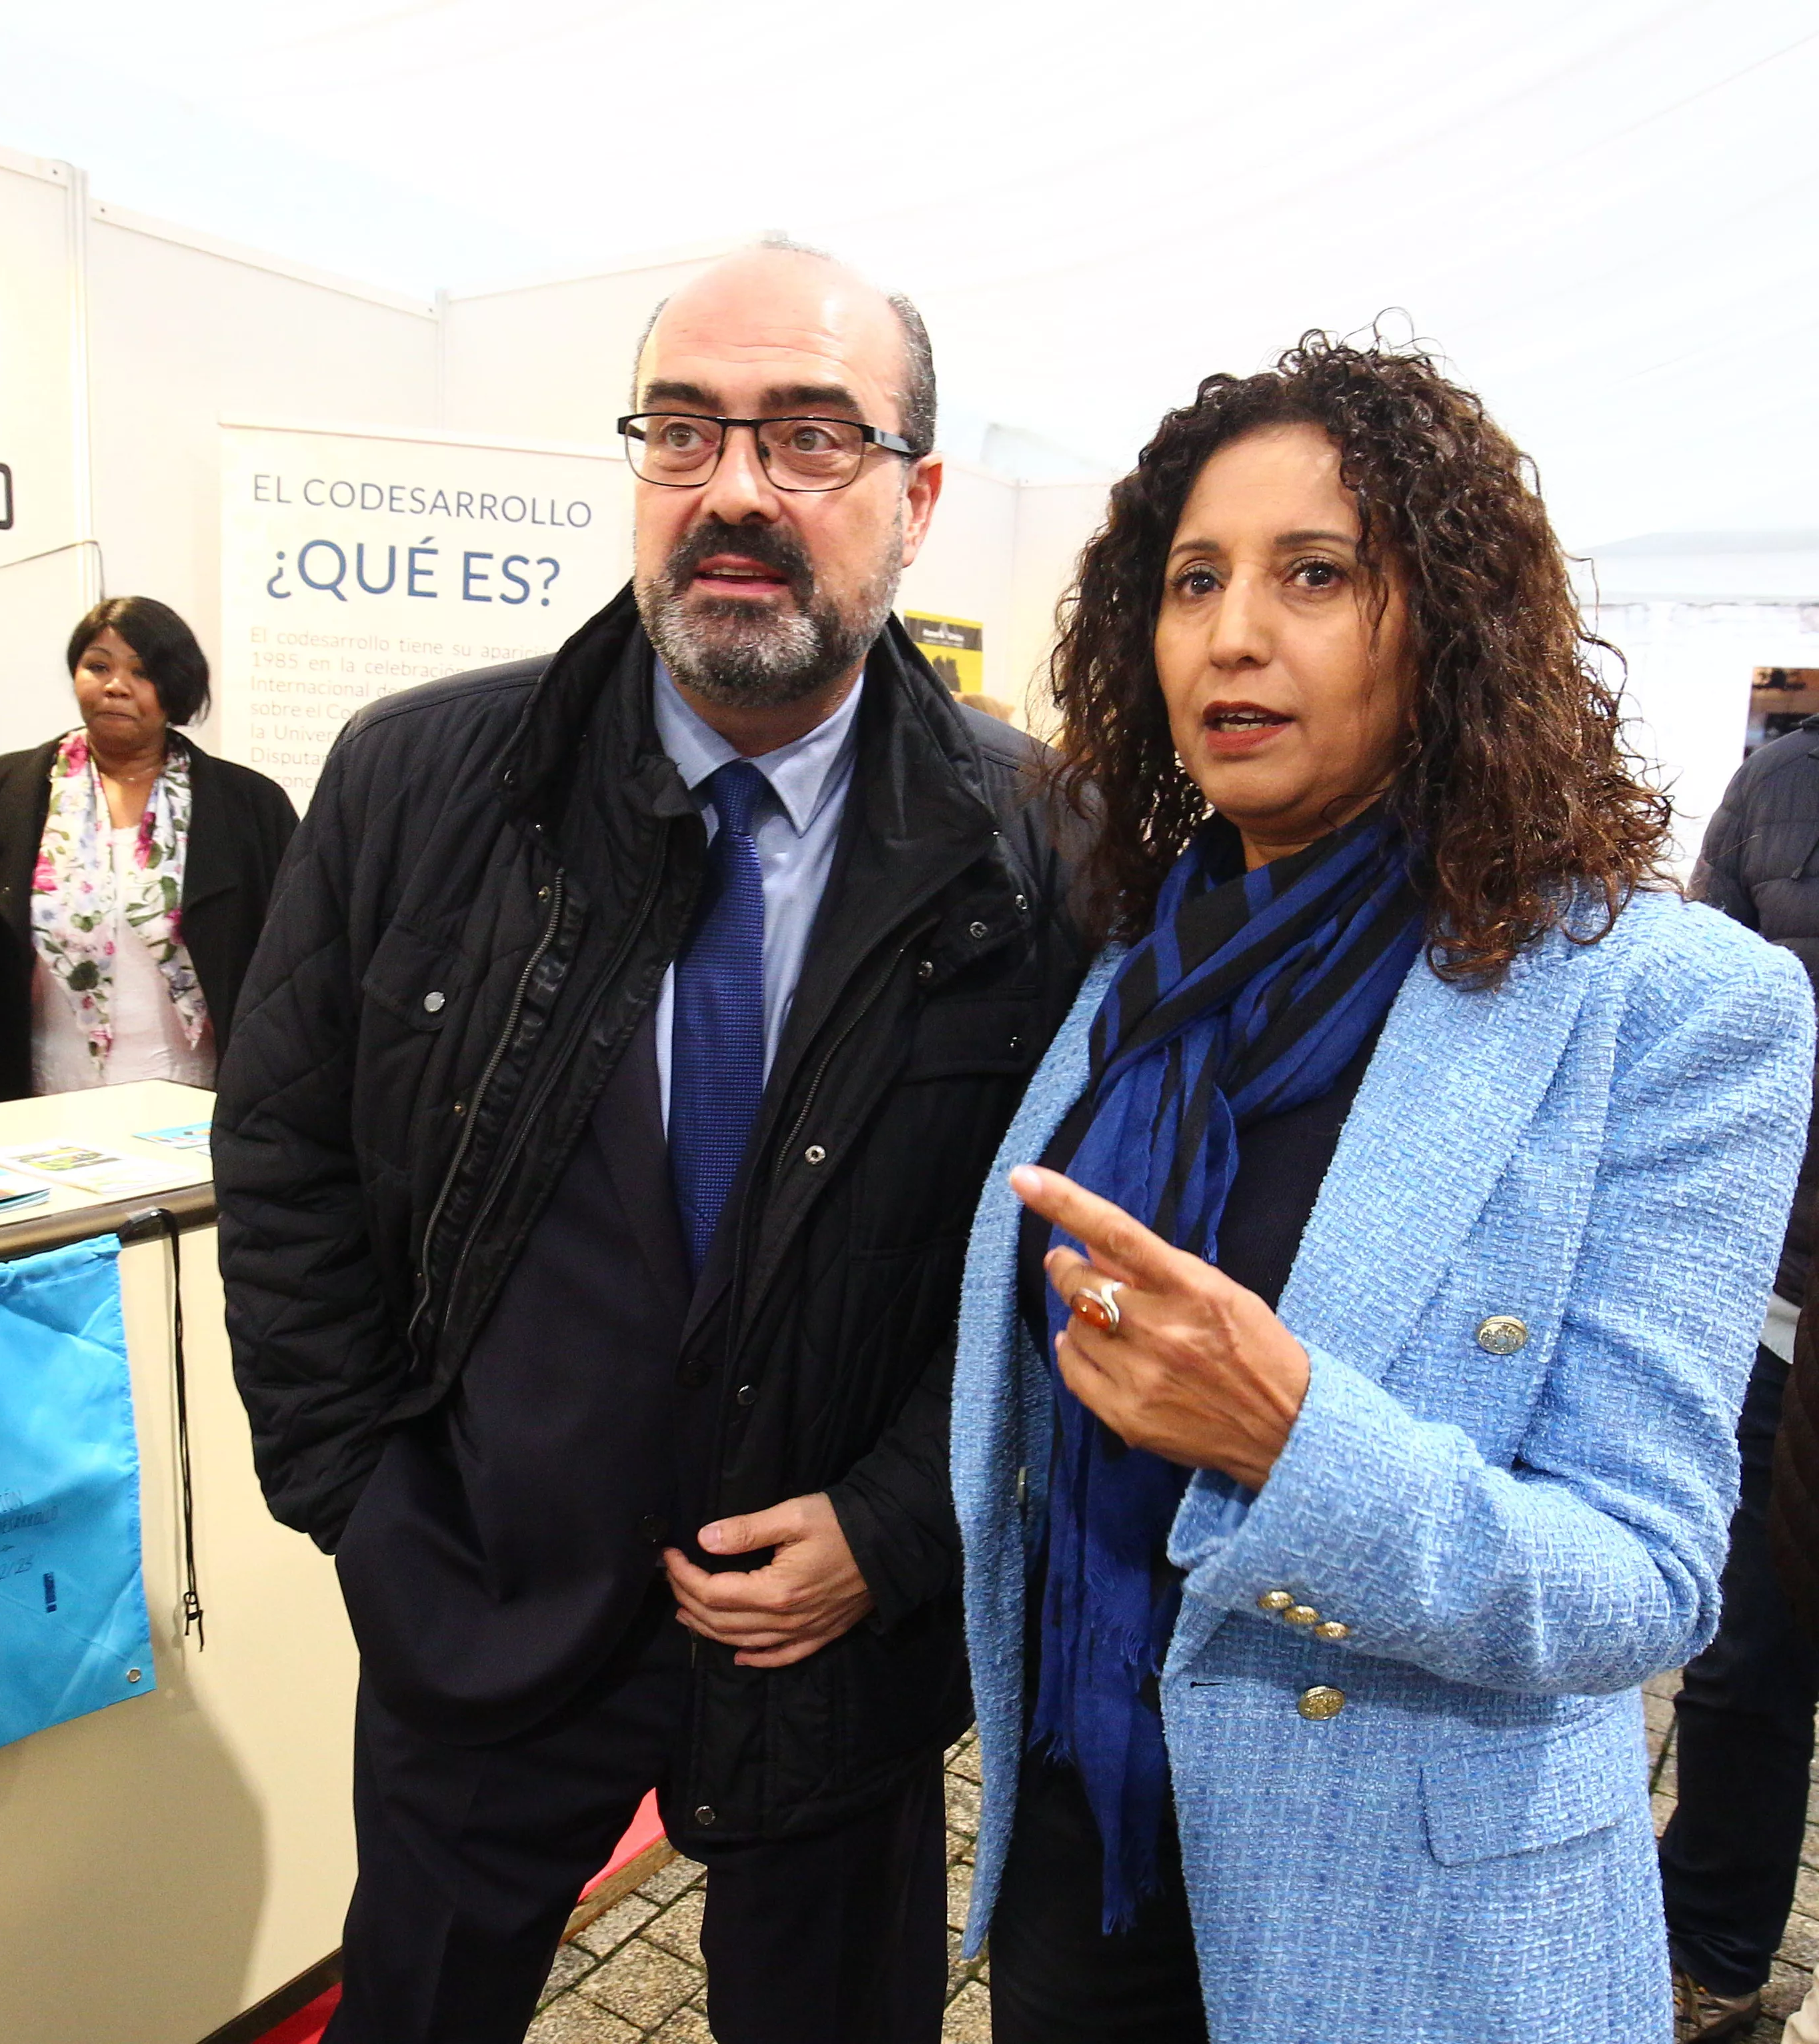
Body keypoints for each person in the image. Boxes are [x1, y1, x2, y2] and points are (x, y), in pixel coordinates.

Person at [213, 239, 1086, 2044]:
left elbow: (1070, 1251)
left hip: (831, 1648)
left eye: (810, 438)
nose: (736, 492)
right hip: (480, 1612)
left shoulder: (1037, 849)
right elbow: (286, 1167)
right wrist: (365, 1508)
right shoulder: (414, 787)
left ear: (916, 498)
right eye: (682, 433)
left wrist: (902, 1520)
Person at [948, 336, 1814, 2043]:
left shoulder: (1665, 1002)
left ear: (1452, 627)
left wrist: (1288, 1442)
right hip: (1086, 1854)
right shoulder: (1134, 960)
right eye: (1191, 578)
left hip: (1410, 1929)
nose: (1231, 632)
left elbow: (1643, 1573)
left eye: (1315, 574)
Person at [1660, 718, 1819, 2039]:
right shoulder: (1781, 780)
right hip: (1777, 1312)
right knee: (1738, 1652)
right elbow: (1700, 1014)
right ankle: (1710, 1952)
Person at [0, 596, 295, 1101]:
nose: (115, 686)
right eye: (97, 666)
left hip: (196, 1089)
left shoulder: (250, 806)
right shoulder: (0, 791)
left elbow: (292, 959)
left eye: (142, 672)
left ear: (176, 685)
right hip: (37, 1085)